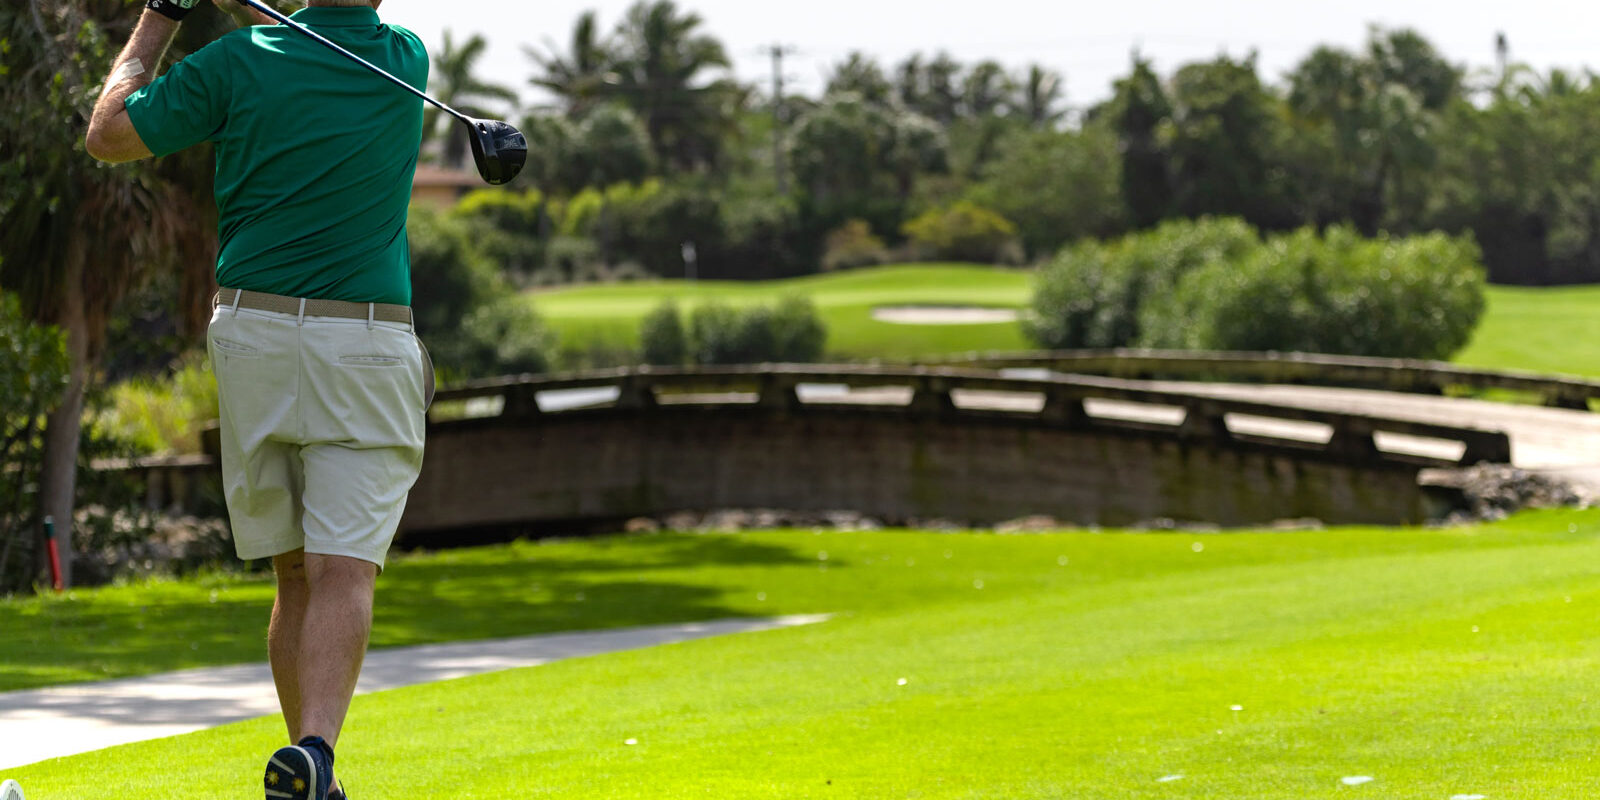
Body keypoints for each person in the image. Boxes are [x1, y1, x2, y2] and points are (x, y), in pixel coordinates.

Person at [86, 1, 431, 798]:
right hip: (364, 341)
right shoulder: (405, 61)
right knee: (344, 568)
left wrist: (159, 18)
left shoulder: (237, 63)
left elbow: (107, 133)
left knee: (293, 571)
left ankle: (312, 776)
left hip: (253, 336)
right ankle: (316, 749)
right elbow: (318, 25)